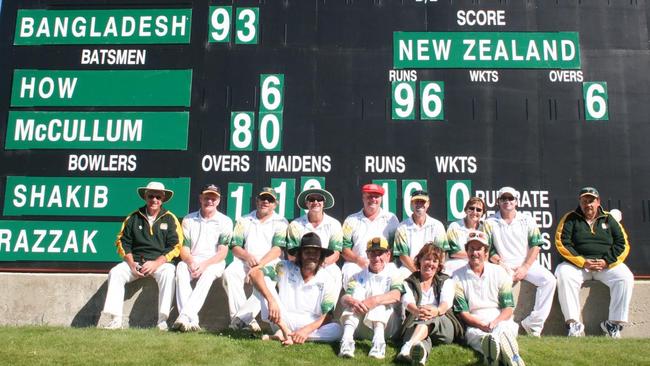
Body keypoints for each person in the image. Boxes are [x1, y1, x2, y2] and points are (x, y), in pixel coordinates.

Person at [100, 181, 182, 330]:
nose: (154, 200)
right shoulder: (133, 217)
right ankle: (115, 320)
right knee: (116, 272)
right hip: (135, 262)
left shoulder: (170, 218)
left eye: (158, 197)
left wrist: (156, 263)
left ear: (163, 198)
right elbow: (122, 242)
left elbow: (175, 246)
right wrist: (132, 264)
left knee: (169, 273)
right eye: (151, 196)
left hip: (159, 264)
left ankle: (162, 321)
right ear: (145, 196)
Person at [554, 187, 633, 338]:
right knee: (563, 273)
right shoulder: (570, 218)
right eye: (584, 201)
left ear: (598, 202)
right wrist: (582, 262)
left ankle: (613, 324)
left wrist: (606, 261)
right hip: (579, 266)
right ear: (580, 202)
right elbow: (562, 243)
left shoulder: (609, 218)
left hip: (605, 266)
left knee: (625, 276)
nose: (588, 204)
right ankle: (573, 324)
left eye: (591, 201)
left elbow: (622, 244)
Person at [484, 186, 556, 337]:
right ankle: (499, 327)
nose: (507, 201)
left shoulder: (527, 220)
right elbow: (488, 250)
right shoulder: (489, 222)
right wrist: (501, 264)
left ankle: (533, 324)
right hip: (503, 266)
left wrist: (525, 267)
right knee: (499, 289)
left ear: (516, 201)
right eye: (504, 198)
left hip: (527, 264)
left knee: (549, 280)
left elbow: (536, 245)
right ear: (498, 201)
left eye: (511, 198)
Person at [249, 232, 342, 345]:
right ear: (300, 254)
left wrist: (305, 331)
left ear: (321, 256)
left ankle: (287, 336)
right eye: (307, 252)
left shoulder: (327, 278)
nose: (311, 256)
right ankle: (284, 330)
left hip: (310, 323)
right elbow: (254, 273)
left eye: (316, 253)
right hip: (282, 319)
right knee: (264, 282)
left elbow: (328, 316)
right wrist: (271, 301)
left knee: (337, 330)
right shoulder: (283, 267)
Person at [453, 230, 524, 366]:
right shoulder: (457, 277)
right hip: (475, 323)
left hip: (500, 320)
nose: (475, 253)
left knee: (503, 331)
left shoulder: (499, 272)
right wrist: (481, 325)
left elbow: (508, 308)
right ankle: (510, 358)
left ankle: (499, 358)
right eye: (471, 249)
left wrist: (495, 322)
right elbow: (464, 313)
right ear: (466, 251)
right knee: (482, 337)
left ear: (486, 252)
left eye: (479, 249)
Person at [222, 187, 288, 331]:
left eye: (269, 200)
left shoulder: (281, 222)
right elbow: (235, 246)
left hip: (271, 263)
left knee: (264, 283)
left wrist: (259, 265)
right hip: (246, 261)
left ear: (275, 204)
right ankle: (247, 323)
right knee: (230, 273)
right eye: (263, 198)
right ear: (257, 201)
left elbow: (277, 249)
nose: (265, 201)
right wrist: (247, 256)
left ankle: (239, 320)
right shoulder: (243, 220)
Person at [173, 184, 233, 332]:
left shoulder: (225, 221)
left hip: (214, 262)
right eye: (207, 197)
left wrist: (204, 264)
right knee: (180, 268)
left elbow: (222, 253)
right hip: (192, 260)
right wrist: (191, 261)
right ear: (201, 198)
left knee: (207, 274)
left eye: (213, 198)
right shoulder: (188, 219)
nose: (210, 201)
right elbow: (184, 249)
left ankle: (185, 315)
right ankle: (192, 321)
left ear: (218, 201)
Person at [338, 237, 405, 360]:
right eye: (372, 254)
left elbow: (396, 295)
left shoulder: (394, 273)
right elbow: (345, 297)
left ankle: (379, 344)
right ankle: (346, 341)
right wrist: (351, 301)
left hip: (388, 327)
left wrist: (374, 300)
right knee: (354, 298)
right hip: (360, 325)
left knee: (379, 302)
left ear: (388, 255)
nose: (376, 258)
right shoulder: (357, 276)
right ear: (367, 255)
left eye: (380, 253)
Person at [396, 243, 461, 365]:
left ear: (439, 265)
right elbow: (407, 302)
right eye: (427, 259)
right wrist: (418, 311)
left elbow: (446, 304)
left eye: (435, 261)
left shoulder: (446, 281)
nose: (430, 263)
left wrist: (434, 311)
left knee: (430, 319)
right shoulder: (408, 282)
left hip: (442, 324)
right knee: (421, 335)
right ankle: (421, 356)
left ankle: (407, 346)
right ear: (419, 260)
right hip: (417, 321)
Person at [341, 183, 399, 286]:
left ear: (381, 199)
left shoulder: (391, 219)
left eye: (376, 196)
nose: (373, 199)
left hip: (383, 263)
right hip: (357, 264)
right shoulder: (351, 220)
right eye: (369, 196)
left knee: (394, 273)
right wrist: (359, 260)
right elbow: (344, 249)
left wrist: (379, 262)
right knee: (349, 271)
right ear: (363, 197)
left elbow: (395, 248)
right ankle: (356, 301)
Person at [287, 188, 343, 291]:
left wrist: (319, 266)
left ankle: (328, 307)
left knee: (336, 273)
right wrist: (306, 267)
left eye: (319, 199)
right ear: (307, 203)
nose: (315, 202)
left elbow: (336, 254)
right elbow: (291, 255)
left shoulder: (334, 224)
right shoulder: (295, 225)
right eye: (312, 199)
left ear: (323, 203)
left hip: (325, 265)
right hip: (300, 266)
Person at [393, 190, 448, 279]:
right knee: (400, 276)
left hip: (432, 266)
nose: (419, 204)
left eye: (422, 201)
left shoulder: (438, 225)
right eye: (416, 201)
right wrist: (418, 273)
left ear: (428, 204)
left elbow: (441, 253)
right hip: (409, 269)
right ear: (411, 203)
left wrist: (434, 270)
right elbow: (403, 256)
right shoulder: (402, 227)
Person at [445, 196, 487, 274]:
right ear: (466, 210)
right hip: (456, 267)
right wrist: (477, 255)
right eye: (471, 208)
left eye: (478, 210)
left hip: (478, 268)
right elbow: (453, 252)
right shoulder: (454, 226)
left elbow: (487, 254)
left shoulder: (485, 228)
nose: (474, 212)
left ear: (482, 213)